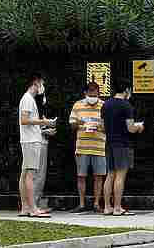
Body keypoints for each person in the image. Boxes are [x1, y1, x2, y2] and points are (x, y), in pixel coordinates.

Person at [101, 79, 144, 216]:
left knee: (110, 174)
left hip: (109, 142)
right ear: (126, 90)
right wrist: (139, 127)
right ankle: (118, 208)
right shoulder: (126, 106)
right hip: (123, 144)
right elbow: (130, 128)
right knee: (120, 175)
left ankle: (107, 207)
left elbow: (102, 127)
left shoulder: (105, 105)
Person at [18, 74, 54, 218]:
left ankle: (26, 207)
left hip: (29, 140)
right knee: (30, 175)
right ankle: (33, 208)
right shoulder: (27, 99)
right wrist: (43, 122)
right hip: (31, 141)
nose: (42, 87)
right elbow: (25, 120)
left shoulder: (28, 99)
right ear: (36, 83)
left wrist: (42, 124)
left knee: (25, 174)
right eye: (42, 84)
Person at [69, 82, 107, 213]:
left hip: (99, 146)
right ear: (85, 93)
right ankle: (81, 203)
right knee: (81, 176)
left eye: (95, 93)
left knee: (99, 176)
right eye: (90, 93)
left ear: (99, 93)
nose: (93, 96)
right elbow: (72, 125)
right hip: (82, 147)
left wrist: (99, 127)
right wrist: (79, 122)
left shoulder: (104, 105)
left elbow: (108, 126)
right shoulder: (78, 105)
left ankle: (97, 203)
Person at [33, 90, 57, 213]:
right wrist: (45, 131)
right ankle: (33, 204)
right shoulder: (33, 110)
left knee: (41, 175)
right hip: (37, 144)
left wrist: (48, 129)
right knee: (36, 175)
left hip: (43, 142)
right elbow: (29, 127)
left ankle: (36, 202)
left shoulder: (40, 112)